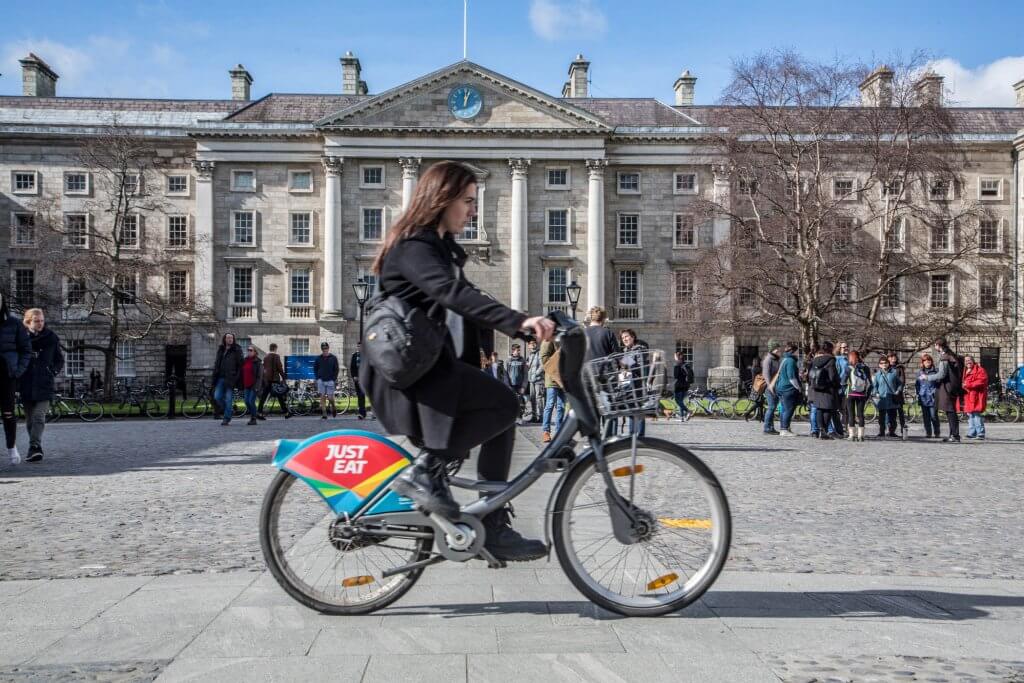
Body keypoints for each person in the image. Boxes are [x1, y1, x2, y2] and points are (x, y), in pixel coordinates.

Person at [360, 160, 553, 562]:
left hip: (428, 369)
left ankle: (493, 520)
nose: (473, 210)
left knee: (502, 412)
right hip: (406, 375)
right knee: (504, 405)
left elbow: (471, 304)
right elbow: (453, 296)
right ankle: (426, 472)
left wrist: (523, 328)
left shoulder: (440, 250)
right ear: (442, 199)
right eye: (467, 200)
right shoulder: (414, 246)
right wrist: (520, 321)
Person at [18, 308, 63, 462]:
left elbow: (59, 360)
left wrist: (53, 371)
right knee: (30, 420)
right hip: (26, 383)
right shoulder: (21, 338)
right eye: (37, 321)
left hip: (44, 382)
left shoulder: (51, 337)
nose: (40, 323)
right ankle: (34, 448)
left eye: (42, 320)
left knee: (39, 417)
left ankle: (35, 447)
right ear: (28, 322)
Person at [0, 295, 31, 465]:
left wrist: (18, 371)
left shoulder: (14, 323)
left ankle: (11, 447)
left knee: (8, 413)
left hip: (6, 375)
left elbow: (26, 350)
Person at [806, 341, 841, 439]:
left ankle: (821, 429)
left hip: (816, 388)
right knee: (827, 410)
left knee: (819, 409)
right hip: (828, 388)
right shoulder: (831, 360)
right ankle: (824, 431)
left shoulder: (815, 360)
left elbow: (810, 374)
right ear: (830, 349)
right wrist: (836, 384)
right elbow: (832, 375)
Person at [619, 329, 649, 437]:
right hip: (629, 384)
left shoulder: (640, 349)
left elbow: (640, 367)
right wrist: (624, 369)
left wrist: (626, 364)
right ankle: (632, 435)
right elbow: (625, 366)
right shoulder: (626, 350)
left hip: (639, 383)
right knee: (631, 409)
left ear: (633, 336)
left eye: (626, 336)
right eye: (623, 338)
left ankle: (640, 435)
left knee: (639, 410)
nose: (625, 339)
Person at [931, 338, 962, 443]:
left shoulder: (945, 357)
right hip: (952, 386)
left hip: (947, 387)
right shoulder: (950, 354)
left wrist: (927, 377)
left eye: (935, 345)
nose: (935, 347)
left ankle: (955, 435)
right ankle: (952, 434)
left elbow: (941, 374)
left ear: (938, 345)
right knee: (950, 411)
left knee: (950, 411)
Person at [211, 333, 243, 426]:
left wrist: (236, 377)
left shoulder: (237, 349)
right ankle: (229, 410)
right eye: (228, 338)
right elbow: (217, 363)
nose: (230, 339)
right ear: (224, 339)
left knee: (229, 399)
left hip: (231, 379)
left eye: (231, 338)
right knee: (217, 397)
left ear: (233, 339)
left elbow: (241, 365)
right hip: (220, 378)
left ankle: (226, 418)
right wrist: (214, 375)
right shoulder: (221, 349)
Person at [772, 342, 802, 437]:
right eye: (798, 352)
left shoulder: (784, 359)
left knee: (784, 409)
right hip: (788, 388)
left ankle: (784, 428)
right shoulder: (790, 361)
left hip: (781, 387)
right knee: (789, 409)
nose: (798, 354)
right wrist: (799, 388)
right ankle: (784, 429)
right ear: (793, 351)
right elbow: (791, 377)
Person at [843, 350, 872, 442]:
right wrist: (867, 394)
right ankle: (861, 435)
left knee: (851, 414)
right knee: (860, 415)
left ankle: (852, 435)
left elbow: (842, 381)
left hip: (850, 393)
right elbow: (870, 383)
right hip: (862, 394)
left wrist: (845, 389)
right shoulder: (865, 368)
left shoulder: (848, 368)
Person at [540, 338, 565, 443]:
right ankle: (546, 432)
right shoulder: (548, 339)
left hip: (562, 378)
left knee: (561, 406)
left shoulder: (562, 337)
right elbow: (544, 359)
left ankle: (559, 431)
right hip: (552, 378)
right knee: (550, 404)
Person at [257, 343, 291, 419]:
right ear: (275, 348)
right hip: (275, 380)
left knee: (264, 397)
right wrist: (284, 377)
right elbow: (280, 368)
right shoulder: (276, 356)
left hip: (267, 380)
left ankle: (259, 412)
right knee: (280, 397)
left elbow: (264, 368)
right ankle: (286, 413)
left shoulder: (266, 357)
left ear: (270, 348)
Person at [873, 356, 903, 439]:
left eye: (885, 363)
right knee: (881, 417)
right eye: (882, 363)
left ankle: (892, 431)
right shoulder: (878, 374)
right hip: (882, 398)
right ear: (879, 365)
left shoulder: (894, 373)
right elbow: (875, 386)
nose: (884, 364)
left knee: (892, 416)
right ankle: (881, 431)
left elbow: (900, 384)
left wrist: (898, 391)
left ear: (888, 364)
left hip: (892, 398)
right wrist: (876, 393)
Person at [961, 355, 989, 440]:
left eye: (969, 360)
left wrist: (968, 385)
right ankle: (972, 432)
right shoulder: (964, 371)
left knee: (976, 415)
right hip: (968, 395)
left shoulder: (980, 370)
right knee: (970, 415)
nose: (968, 362)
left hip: (977, 395)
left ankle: (980, 433)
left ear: (973, 361)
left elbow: (981, 381)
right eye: (966, 361)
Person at [916, 353, 941, 438]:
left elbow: (939, 383)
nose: (927, 362)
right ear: (922, 362)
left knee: (933, 415)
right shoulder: (919, 372)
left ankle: (937, 432)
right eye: (925, 361)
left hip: (933, 397)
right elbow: (917, 384)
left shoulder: (936, 371)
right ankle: (928, 432)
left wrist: (935, 392)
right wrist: (918, 393)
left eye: (929, 361)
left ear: (931, 361)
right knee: (926, 417)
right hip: (923, 397)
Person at [761, 341, 782, 435]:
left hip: (775, 386)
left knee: (773, 408)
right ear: (772, 349)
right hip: (770, 387)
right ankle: (766, 427)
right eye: (777, 348)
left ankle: (771, 427)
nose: (779, 350)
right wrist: (770, 386)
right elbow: (766, 375)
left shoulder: (776, 359)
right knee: (771, 407)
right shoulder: (768, 360)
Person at [314, 342, 339, 419]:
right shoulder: (318, 358)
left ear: (328, 348)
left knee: (330, 398)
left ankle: (334, 407)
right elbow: (315, 368)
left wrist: (334, 379)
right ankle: (324, 414)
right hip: (321, 380)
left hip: (330, 380)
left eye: (326, 348)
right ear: (322, 349)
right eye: (323, 348)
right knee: (322, 397)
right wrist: (318, 378)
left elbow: (336, 369)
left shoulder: (333, 358)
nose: (325, 350)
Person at [887, 352, 908, 439]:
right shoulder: (886, 367)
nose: (893, 358)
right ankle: (890, 430)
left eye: (894, 357)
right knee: (889, 413)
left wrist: (899, 390)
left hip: (897, 394)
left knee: (900, 413)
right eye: (891, 357)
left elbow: (902, 381)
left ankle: (903, 431)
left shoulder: (899, 368)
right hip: (888, 394)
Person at [504, 343, 527, 424]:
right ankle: (511, 419)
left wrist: (523, 386)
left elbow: (525, 374)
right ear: (513, 351)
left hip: (519, 385)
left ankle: (519, 418)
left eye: (519, 350)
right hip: (511, 385)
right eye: (518, 350)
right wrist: (508, 385)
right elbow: (505, 374)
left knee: (520, 403)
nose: (519, 351)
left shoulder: (522, 360)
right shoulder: (508, 360)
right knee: (511, 402)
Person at [240, 345, 262, 426]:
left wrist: (257, 387)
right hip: (246, 384)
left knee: (250, 401)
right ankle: (254, 414)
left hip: (254, 385)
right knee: (246, 401)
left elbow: (260, 376)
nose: (248, 351)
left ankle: (253, 418)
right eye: (248, 350)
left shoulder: (258, 362)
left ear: (255, 352)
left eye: (251, 350)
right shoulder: (245, 360)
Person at [525, 339, 544, 423]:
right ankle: (534, 416)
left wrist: (536, 373)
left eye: (534, 343)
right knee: (532, 398)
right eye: (530, 343)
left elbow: (542, 365)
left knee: (538, 398)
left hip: (538, 379)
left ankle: (541, 417)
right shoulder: (530, 355)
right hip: (531, 380)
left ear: (536, 344)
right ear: (528, 346)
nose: (532, 345)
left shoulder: (539, 353)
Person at [672, 351, 692, 421]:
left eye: (675, 356)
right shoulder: (686, 364)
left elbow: (676, 376)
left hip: (679, 385)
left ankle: (688, 411)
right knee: (681, 401)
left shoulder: (677, 364)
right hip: (686, 385)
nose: (674, 357)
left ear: (678, 357)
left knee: (678, 401)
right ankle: (682, 417)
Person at [349, 343, 368, 419]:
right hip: (356, 379)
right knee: (359, 396)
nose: (359, 348)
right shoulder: (354, 355)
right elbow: (352, 367)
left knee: (362, 395)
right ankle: (362, 413)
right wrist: (354, 376)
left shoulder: (366, 356)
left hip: (363, 378)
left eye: (360, 346)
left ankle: (362, 413)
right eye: (358, 346)